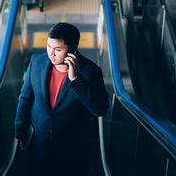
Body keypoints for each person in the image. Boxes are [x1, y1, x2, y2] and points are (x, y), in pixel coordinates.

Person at [14, 22, 109, 176]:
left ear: (73, 50)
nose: (51, 53)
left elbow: (99, 109)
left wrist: (75, 79)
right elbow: (25, 98)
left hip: (71, 150)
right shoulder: (37, 61)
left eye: (58, 49)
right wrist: (19, 130)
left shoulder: (91, 72)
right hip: (38, 142)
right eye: (49, 46)